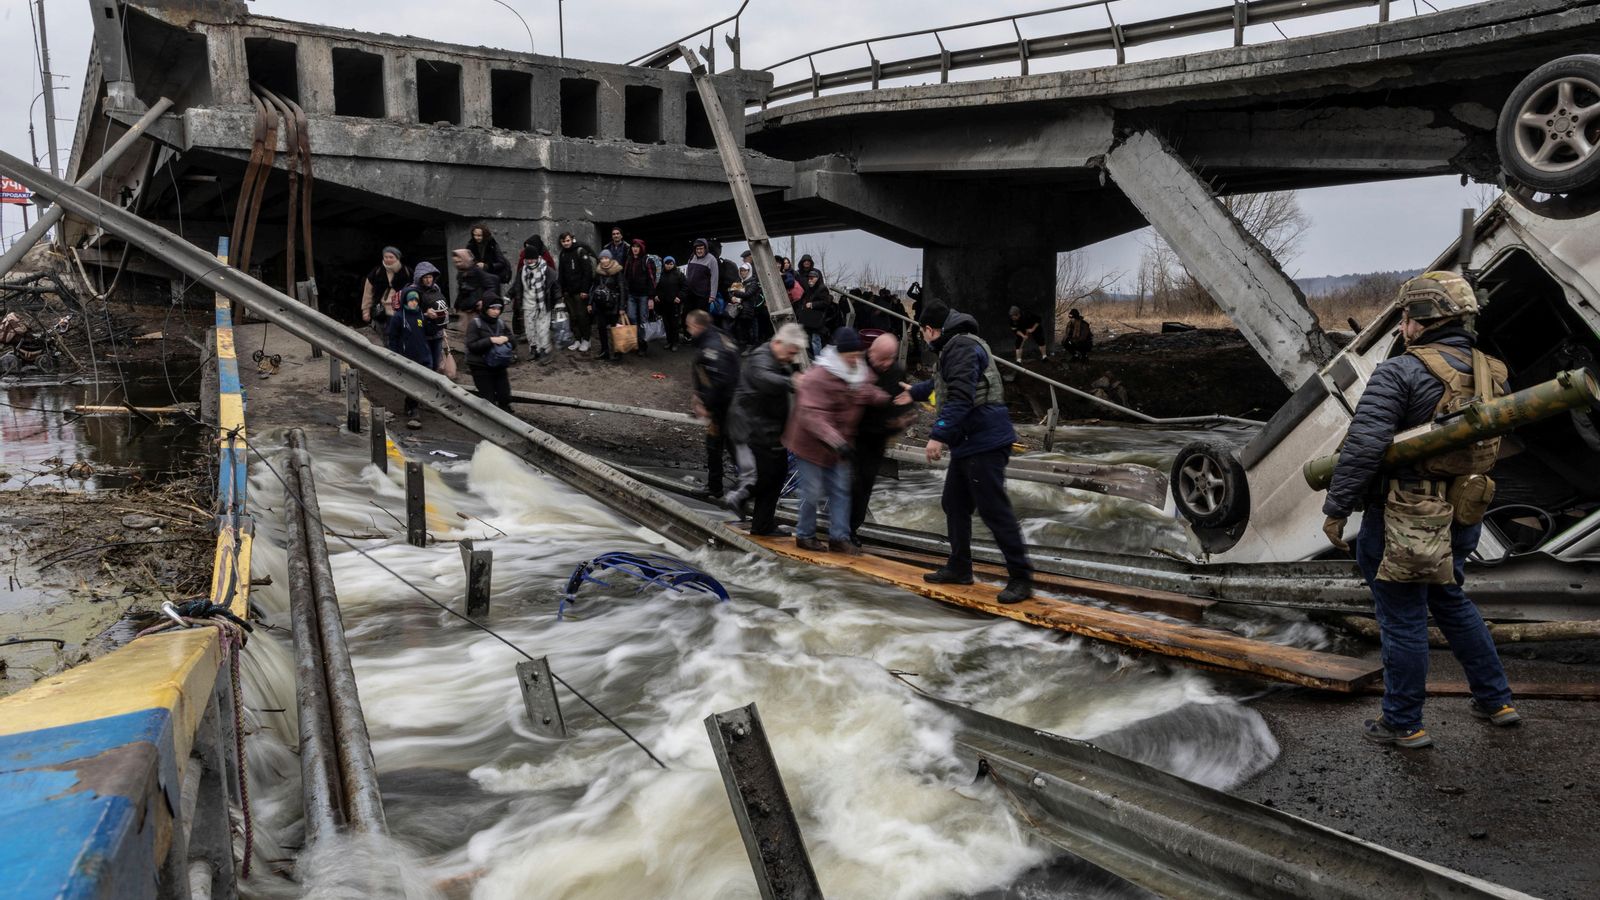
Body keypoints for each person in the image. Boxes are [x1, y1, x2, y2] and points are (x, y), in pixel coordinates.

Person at [1321, 271, 1518, 749]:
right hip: (1463, 511)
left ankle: (1403, 722)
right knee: (1451, 600)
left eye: (1406, 315)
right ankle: (1497, 701)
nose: (1402, 324)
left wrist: (1336, 507)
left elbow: (1364, 448)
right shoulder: (1494, 371)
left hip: (1404, 515)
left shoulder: (1400, 371)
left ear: (1424, 318)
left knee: (1402, 615)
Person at [905, 304, 1034, 603]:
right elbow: (943, 384)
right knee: (954, 503)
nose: (923, 338)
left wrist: (937, 435)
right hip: (970, 441)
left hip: (985, 441)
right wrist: (913, 391)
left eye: (922, 331)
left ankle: (1021, 577)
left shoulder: (960, 348)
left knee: (994, 510)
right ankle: (960, 567)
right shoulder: (956, 346)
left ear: (930, 329)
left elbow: (961, 397)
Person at [784, 327, 888, 553]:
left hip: (839, 446)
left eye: (857, 355)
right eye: (850, 355)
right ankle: (805, 535)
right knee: (811, 491)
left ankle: (839, 537)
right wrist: (837, 441)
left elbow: (866, 391)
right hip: (810, 445)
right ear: (839, 354)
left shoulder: (859, 372)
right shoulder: (817, 377)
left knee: (841, 490)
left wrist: (886, 399)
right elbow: (811, 415)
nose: (855, 359)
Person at [726, 323, 807, 535]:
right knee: (765, 476)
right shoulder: (760, 358)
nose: (791, 358)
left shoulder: (782, 360)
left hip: (772, 430)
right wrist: (792, 381)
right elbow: (765, 379)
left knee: (778, 475)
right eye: (790, 353)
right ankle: (738, 495)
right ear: (778, 343)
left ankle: (762, 525)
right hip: (753, 428)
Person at [850, 334, 915, 544]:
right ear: (872, 353)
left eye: (890, 358)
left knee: (865, 486)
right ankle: (838, 530)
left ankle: (851, 530)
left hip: (877, 438)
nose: (886, 364)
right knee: (848, 484)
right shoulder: (858, 365)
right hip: (853, 436)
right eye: (882, 359)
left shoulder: (896, 371)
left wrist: (902, 419)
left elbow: (904, 400)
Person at [687, 309, 743, 498]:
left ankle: (743, 489)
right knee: (717, 446)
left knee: (730, 447)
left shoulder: (712, 347)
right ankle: (716, 486)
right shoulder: (719, 336)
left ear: (696, 326)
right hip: (728, 404)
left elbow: (720, 381)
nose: (689, 331)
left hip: (725, 406)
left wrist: (707, 406)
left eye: (689, 327)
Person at [508, 234, 559, 363]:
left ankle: (546, 352)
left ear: (538, 258)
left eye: (532, 259)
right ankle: (534, 350)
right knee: (530, 330)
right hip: (528, 305)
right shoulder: (523, 270)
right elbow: (516, 285)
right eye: (527, 259)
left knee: (542, 330)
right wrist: (508, 296)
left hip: (543, 305)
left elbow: (555, 286)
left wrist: (559, 301)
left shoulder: (547, 270)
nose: (529, 261)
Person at [386, 288, 433, 426]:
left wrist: (431, 320)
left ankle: (412, 405)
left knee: (423, 381)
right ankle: (412, 408)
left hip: (423, 354)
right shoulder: (399, 317)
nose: (414, 303)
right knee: (413, 383)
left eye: (416, 300)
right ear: (406, 301)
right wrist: (395, 354)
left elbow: (428, 332)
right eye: (411, 300)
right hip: (407, 355)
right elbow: (393, 337)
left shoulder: (421, 315)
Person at [464, 297, 515, 412]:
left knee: (505, 396)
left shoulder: (501, 323)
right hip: (480, 366)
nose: (496, 311)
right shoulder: (475, 324)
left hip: (499, 365)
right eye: (493, 308)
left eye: (498, 309)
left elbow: (513, 341)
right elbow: (471, 346)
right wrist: (490, 340)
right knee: (488, 400)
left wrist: (505, 338)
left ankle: (507, 421)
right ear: (486, 308)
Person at [401, 261, 450, 372]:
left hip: (436, 331)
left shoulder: (436, 288)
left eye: (430, 277)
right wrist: (426, 314)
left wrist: (443, 327)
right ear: (420, 278)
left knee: (436, 363)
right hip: (420, 331)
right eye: (425, 277)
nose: (429, 280)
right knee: (426, 362)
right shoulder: (411, 291)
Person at [557, 232, 597, 353]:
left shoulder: (580, 251)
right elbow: (561, 274)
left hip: (580, 292)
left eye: (568, 240)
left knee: (582, 316)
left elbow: (587, 272)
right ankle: (578, 339)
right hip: (568, 292)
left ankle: (586, 340)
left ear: (572, 240)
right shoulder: (563, 254)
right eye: (563, 241)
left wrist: (585, 290)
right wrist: (562, 291)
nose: (566, 243)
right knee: (573, 317)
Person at [623, 238, 660, 357]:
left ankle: (643, 346)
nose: (635, 249)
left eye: (637, 247)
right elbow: (625, 278)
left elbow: (652, 280)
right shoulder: (629, 260)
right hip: (631, 295)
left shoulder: (647, 260)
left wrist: (651, 298)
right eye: (633, 246)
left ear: (641, 248)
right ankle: (636, 342)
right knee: (632, 317)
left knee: (643, 320)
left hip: (644, 295)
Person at [361, 246, 410, 333]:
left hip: (401, 311)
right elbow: (368, 293)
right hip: (381, 311)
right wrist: (366, 311)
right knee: (382, 336)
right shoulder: (377, 271)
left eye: (391, 257)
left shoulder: (406, 271)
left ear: (397, 258)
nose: (388, 259)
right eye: (385, 257)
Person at [591, 249, 626, 361]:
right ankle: (604, 351)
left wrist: (621, 307)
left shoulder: (617, 271)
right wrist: (590, 303)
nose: (604, 260)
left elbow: (622, 289)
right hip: (601, 305)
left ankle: (618, 352)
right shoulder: (598, 272)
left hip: (614, 305)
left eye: (606, 258)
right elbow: (593, 288)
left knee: (616, 329)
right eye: (601, 258)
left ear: (610, 259)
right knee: (601, 328)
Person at [796, 267, 833, 358]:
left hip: (817, 319)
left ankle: (818, 360)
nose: (810, 280)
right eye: (809, 278)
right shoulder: (810, 288)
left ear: (817, 278)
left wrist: (812, 304)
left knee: (815, 340)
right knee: (809, 339)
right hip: (809, 318)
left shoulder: (822, 288)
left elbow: (826, 302)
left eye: (812, 278)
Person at [452, 248, 501, 315]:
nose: (457, 264)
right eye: (456, 262)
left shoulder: (476, 271)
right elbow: (461, 292)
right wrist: (456, 306)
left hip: (477, 311)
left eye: (459, 262)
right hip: (466, 310)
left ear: (465, 260)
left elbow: (491, 285)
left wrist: (484, 300)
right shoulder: (461, 273)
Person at [683, 238, 717, 325]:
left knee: (701, 318)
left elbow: (714, 278)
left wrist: (712, 296)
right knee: (687, 315)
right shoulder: (692, 257)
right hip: (690, 293)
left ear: (705, 248)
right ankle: (689, 335)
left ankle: (702, 336)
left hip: (702, 295)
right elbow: (687, 273)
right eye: (697, 249)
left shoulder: (711, 259)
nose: (699, 251)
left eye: (701, 248)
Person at [656, 256, 686, 351]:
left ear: (674, 264)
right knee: (666, 324)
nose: (669, 266)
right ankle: (669, 341)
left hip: (674, 304)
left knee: (674, 324)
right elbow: (656, 286)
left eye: (671, 264)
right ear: (664, 264)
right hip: (663, 303)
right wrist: (656, 295)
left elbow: (685, 287)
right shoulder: (660, 274)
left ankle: (675, 343)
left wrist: (679, 297)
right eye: (667, 264)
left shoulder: (679, 274)